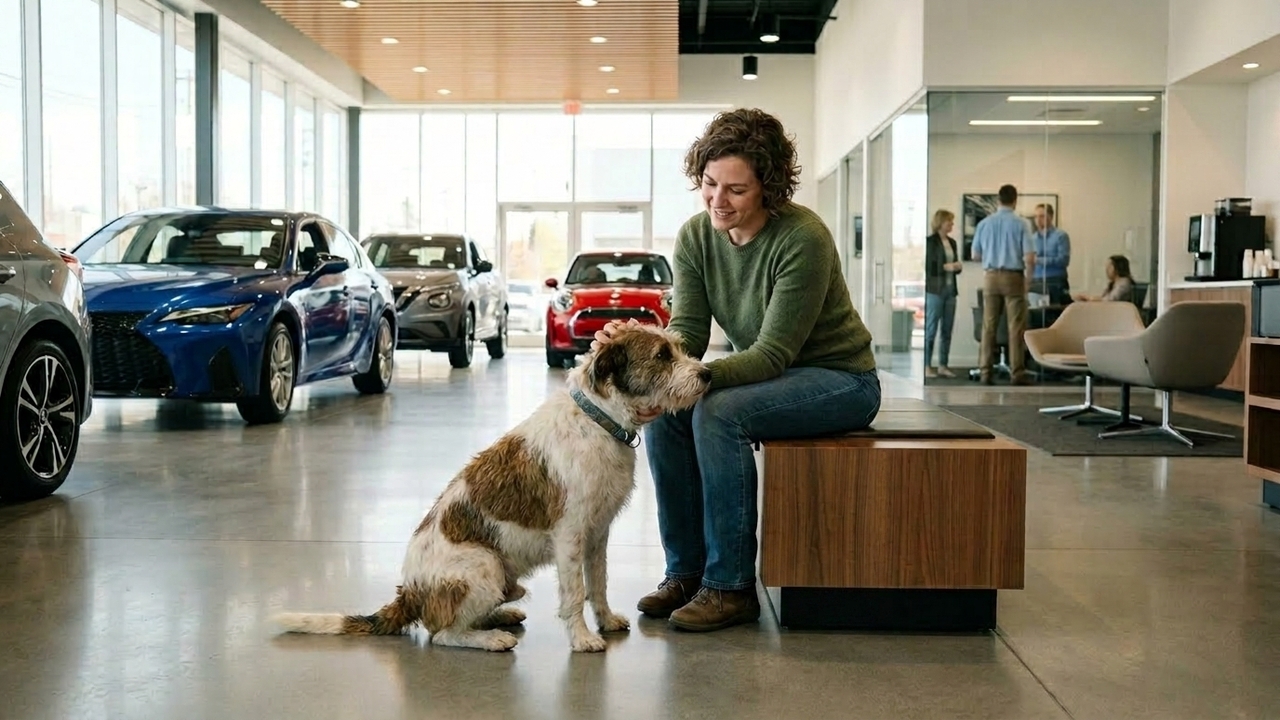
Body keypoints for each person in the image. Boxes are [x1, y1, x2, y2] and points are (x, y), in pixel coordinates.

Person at [590, 108, 881, 633]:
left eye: (736, 190)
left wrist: (691, 383)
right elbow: (690, 335)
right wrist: (642, 351)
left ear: (768, 188)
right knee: (674, 411)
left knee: (717, 411)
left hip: (841, 380)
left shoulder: (803, 238)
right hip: (777, 378)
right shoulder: (697, 237)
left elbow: (772, 354)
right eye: (708, 184)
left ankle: (730, 588)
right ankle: (686, 572)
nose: (717, 201)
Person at [970, 184, 1036, 385]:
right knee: (1015, 327)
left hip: (990, 277)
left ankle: (985, 372)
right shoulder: (1021, 223)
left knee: (988, 326)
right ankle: (1017, 373)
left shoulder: (984, 224)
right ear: (1015, 200)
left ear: (998, 200)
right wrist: (1027, 281)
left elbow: (975, 255)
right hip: (1013, 276)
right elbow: (1030, 258)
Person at [924, 209, 962, 378]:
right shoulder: (930, 242)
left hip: (950, 290)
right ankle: (926, 366)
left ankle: (943, 365)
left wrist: (957, 267)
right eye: (949, 222)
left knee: (947, 329)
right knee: (931, 329)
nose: (952, 225)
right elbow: (928, 267)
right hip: (935, 291)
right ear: (941, 222)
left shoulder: (952, 243)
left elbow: (955, 267)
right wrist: (945, 267)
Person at [1030, 203, 1071, 305]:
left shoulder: (1061, 236)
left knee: (1056, 315)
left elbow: (1063, 260)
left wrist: (1038, 260)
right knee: (1036, 316)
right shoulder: (1032, 238)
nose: (1038, 220)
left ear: (1051, 216)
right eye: (1036, 217)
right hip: (1036, 282)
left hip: (1055, 281)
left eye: (1042, 216)